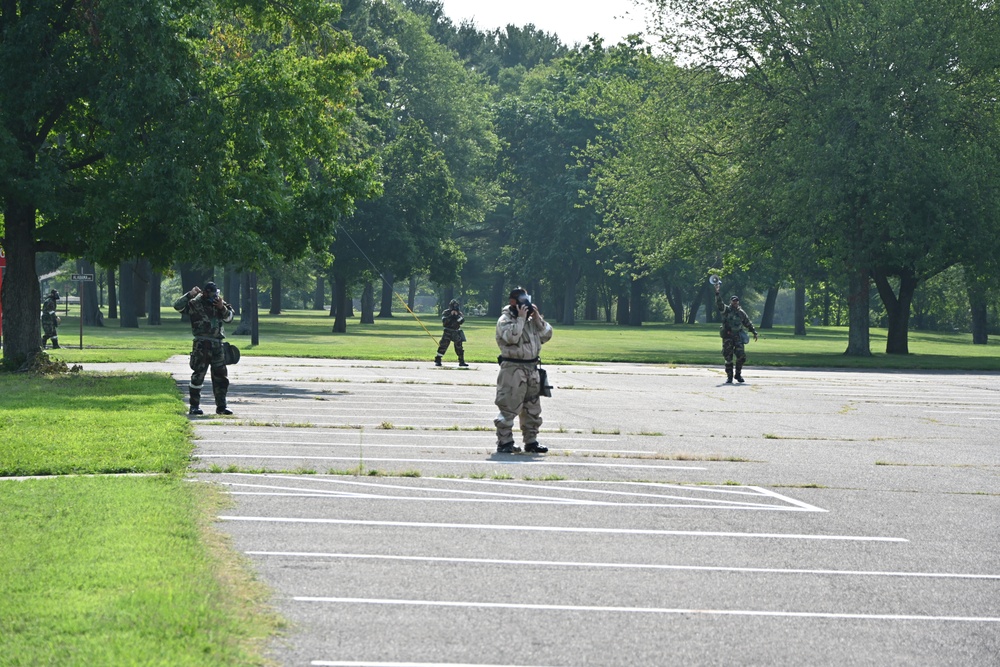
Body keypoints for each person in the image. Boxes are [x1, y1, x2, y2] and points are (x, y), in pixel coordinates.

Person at [494, 287, 553, 454]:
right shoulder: (505, 320)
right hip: (513, 369)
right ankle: (504, 442)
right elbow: (511, 337)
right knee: (509, 406)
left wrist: (537, 318)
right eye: (520, 299)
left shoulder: (531, 321)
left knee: (532, 408)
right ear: (512, 302)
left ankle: (531, 441)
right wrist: (520, 319)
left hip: (532, 369)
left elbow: (547, 335)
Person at [174, 281, 235, 415]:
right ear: (205, 292)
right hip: (202, 345)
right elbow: (177, 306)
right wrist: (190, 294)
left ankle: (222, 406)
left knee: (221, 377)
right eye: (211, 294)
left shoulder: (219, 303)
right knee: (198, 376)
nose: (213, 297)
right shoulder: (195, 303)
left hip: (217, 345)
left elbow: (230, 318)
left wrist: (221, 307)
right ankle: (194, 406)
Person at [715, 281, 758, 383]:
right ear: (731, 302)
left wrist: (754, 332)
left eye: (736, 301)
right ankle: (729, 377)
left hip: (738, 337)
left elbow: (747, 323)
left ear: (738, 302)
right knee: (728, 357)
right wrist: (717, 293)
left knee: (741, 356)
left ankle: (737, 375)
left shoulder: (741, 313)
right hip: (728, 337)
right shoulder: (726, 310)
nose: (735, 302)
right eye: (733, 301)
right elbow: (719, 303)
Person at [435, 299, 468, 367]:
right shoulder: (446, 312)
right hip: (447, 331)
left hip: (456, 332)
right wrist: (450, 315)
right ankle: (438, 360)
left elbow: (461, 321)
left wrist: (456, 316)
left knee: (459, 347)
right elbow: (444, 321)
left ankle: (461, 361)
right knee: (443, 346)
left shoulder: (459, 313)